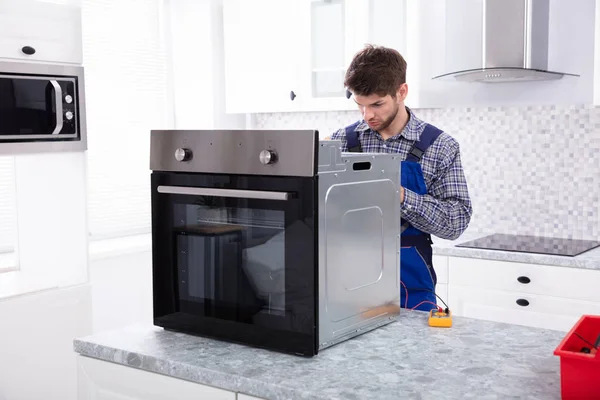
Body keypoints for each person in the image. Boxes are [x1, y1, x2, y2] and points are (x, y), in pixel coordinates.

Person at [327, 44, 472, 312]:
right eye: (360, 105)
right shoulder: (340, 142)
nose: (367, 115)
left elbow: (456, 223)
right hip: (347, 283)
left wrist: (400, 195)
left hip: (410, 285)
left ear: (401, 92)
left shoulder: (440, 146)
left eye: (377, 104)